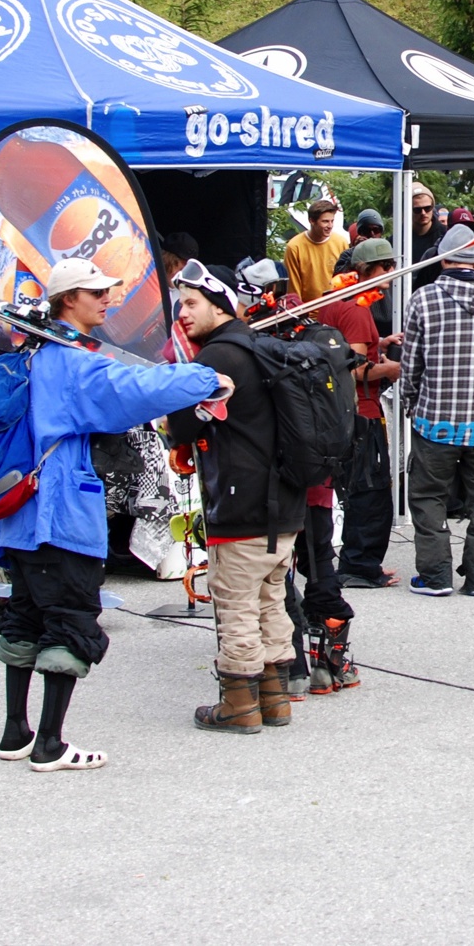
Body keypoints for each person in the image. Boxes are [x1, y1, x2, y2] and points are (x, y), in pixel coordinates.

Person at [0, 258, 223, 770]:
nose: (106, 298)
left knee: (24, 617)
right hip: (59, 512)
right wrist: (204, 379)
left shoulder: (33, 351)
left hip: (17, 512)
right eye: (94, 291)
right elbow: (131, 394)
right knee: (71, 620)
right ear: (68, 299)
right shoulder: (76, 362)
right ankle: (50, 745)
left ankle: (16, 733)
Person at [163, 262, 310, 732]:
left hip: (241, 503)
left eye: (191, 303)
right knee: (270, 601)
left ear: (220, 304)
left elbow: (182, 425)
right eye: (179, 304)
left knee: (235, 604)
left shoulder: (218, 359)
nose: (181, 313)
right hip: (282, 504)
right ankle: (274, 699)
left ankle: (239, 705)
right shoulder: (260, 349)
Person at [401, 224, 474, 596]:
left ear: (444, 258)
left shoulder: (422, 300)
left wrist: (411, 405)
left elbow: (410, 367)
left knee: (428, 497)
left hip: (433, 422)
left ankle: (435, 577)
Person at [319, 240, 403, 591]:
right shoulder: (355, 309)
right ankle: (360, 565)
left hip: (344, 413)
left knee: (358, 489)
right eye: (385, 268)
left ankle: (358, 562)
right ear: (368, 270)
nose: (390, 275)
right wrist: (393, 369)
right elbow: (351, 371)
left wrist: (378, 343)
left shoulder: (338, 301)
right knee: (370, 492)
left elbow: (345, 350)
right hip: (362, 413)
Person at [283, 198, 347, 305]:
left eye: (332, 221)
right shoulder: (295, 247)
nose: (330, 226)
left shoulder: (341, 243)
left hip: (335, 309)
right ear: (312, 221)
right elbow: (293, 289)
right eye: (325, 221)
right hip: (309, 312)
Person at [411, 186, 445, 287]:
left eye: (427, 208)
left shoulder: (445, 235)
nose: (423, 213)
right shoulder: (399, 237)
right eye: (417, 210)